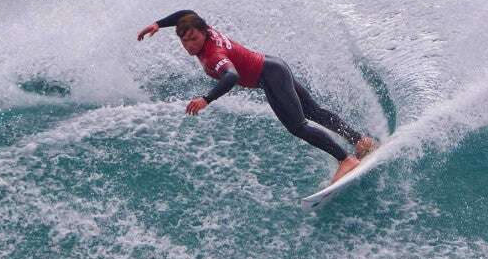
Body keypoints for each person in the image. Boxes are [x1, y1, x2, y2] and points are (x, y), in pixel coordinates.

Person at [137, 10, 376, 184]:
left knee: (298, 126)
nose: (189, 45)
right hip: (274, 65)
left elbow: (230, 76)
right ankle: (360, 141)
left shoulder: (213, 55)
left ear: (203, 33)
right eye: (184, 40)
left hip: (269, 76)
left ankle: (345, 159)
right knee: (313, 111)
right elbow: (187, 13)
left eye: (194, 39)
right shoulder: (205, 29)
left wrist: (206, 99)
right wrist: (159, 24)